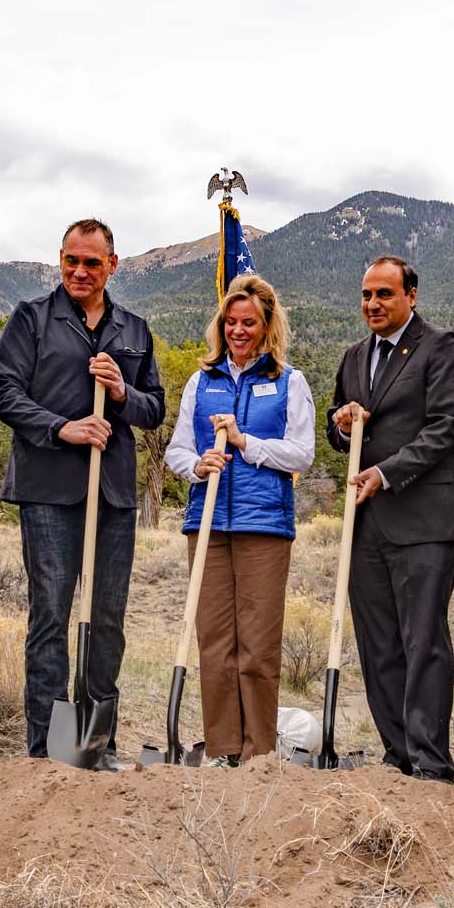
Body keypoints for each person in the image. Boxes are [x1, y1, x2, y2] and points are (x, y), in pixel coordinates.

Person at [0, 218, 165, 765]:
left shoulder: (134, 331)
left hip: (111, 495)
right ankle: (46, 748)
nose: (81, 271)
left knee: (107, 619)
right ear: (60, 261)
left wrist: (119, 393)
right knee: (51, 616)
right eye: (72, 260)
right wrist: (62, 427)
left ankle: (98, 743)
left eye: (92, 262)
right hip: (48, 491)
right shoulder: (32, 320)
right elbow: (5, 393)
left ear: (113, 265)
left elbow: (154, 410)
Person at [327, 255, 454, 782]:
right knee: (379, 644)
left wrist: (386, 472)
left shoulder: (441, 348)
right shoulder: (352, 358)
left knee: (423, 640)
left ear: (410, 296)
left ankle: (431, 763)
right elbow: (338, 432)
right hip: (367, 522)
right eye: (367, 295)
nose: (373, 304)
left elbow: (446, 427)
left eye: (385, 294)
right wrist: (344, 426)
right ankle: (396, 755)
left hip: (426, 518)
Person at [163, 275, 316, 764]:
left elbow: (301, 455)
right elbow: (177, 450)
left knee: (257, 646)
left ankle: (258, 753)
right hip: (206, 524)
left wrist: (246, 443)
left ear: (267, 324)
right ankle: (223, 749)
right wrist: (198, 465)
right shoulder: (200, 380)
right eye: (230, 322)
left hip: (264, 526)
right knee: (215, 642)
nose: (238, 331)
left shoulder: (288, 381)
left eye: (248, 322)